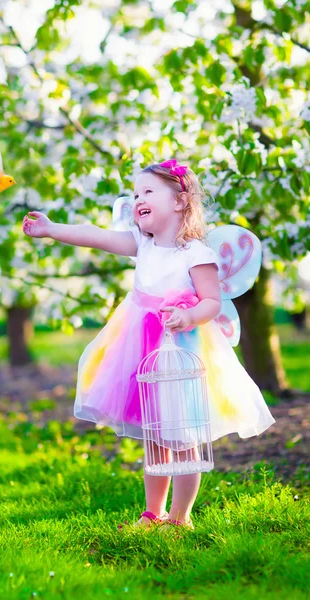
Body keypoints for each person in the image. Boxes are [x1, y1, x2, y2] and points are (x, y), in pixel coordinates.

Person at [22, 160, 275, 530]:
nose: (138, 199)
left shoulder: (195, 254)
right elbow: (95, 235)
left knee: (184, 437)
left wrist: (189, 316)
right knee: (155, 436)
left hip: (180, 350)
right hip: (139, 348)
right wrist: (50, 229)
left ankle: (180, 516)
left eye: (148, 192)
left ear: (179, 201)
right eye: (136, 193)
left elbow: (211, 302)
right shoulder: (142, 243)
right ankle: (152, 512)